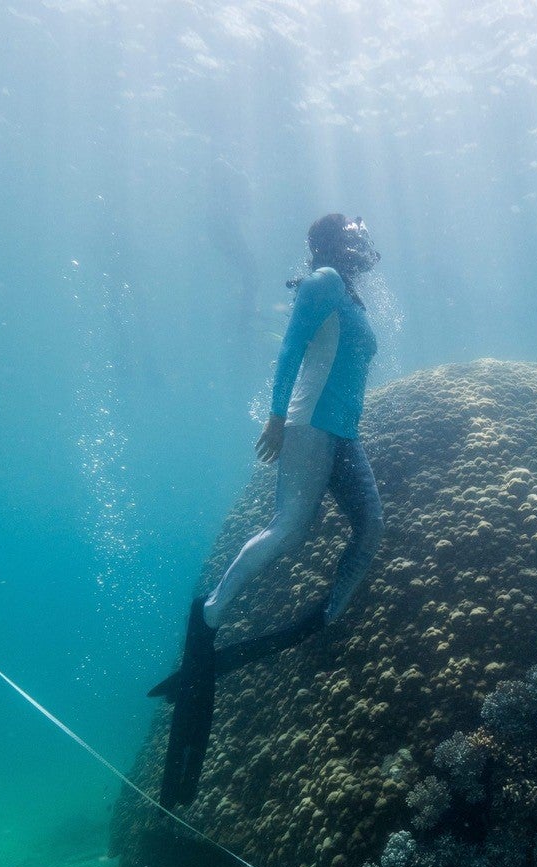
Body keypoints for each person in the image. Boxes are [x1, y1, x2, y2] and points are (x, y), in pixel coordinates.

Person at [156, 213, 384, 807]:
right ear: (333, 243)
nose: (363, 242)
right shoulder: (325, 282)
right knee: (289, 531)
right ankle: (210, 613)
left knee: (371, 528)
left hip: (343, 436)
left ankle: (322, 619)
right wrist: (277, 416)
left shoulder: (351, 296)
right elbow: (288, 350)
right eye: (354, 234)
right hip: (309, 426)